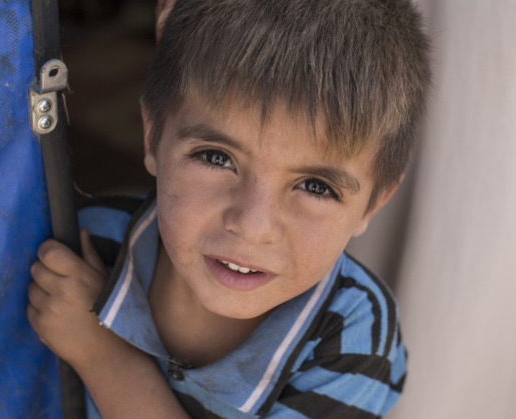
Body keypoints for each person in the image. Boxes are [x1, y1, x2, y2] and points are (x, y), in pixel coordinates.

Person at [25, 0, 430, 417]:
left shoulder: (351, 336)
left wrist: (101, 354)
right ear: (152, 138)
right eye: (216, 157)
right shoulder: (93, 243)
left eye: (315, 186)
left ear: (372, 205)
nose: (253, 226)